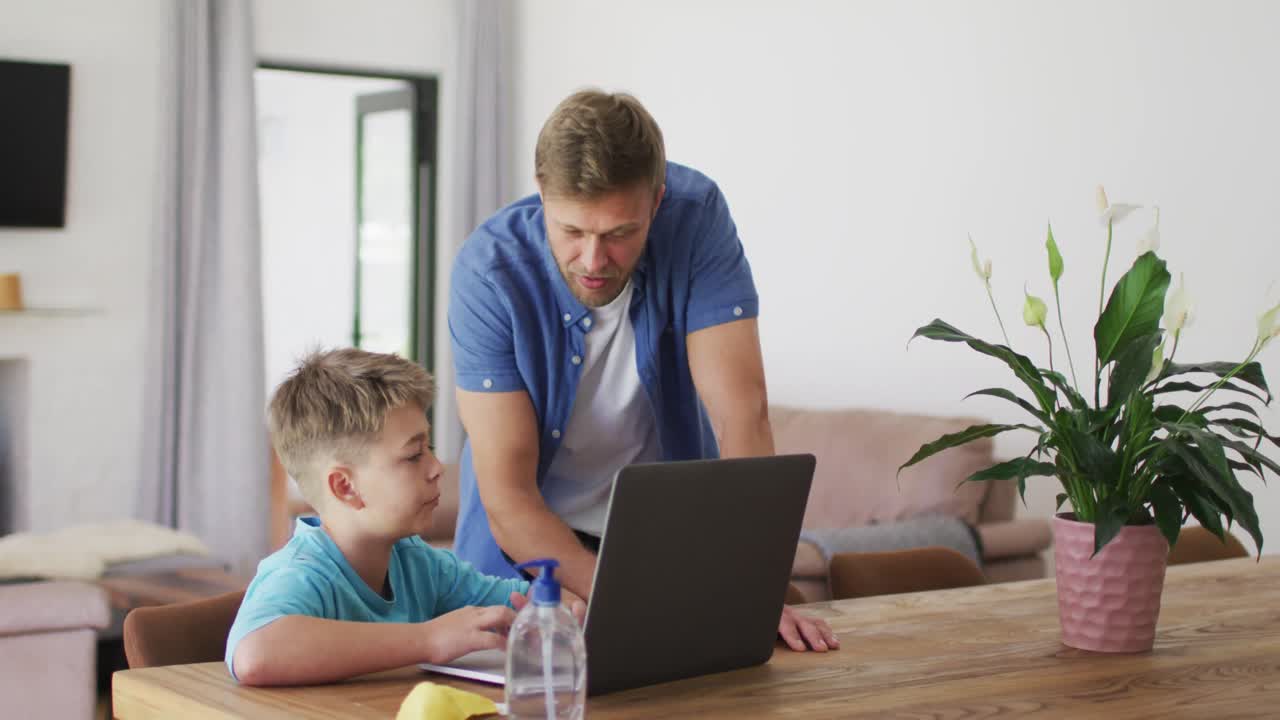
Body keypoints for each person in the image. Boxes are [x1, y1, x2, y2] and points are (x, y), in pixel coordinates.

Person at [449, 89, 838, 652]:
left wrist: (750, 588)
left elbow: (742, 417)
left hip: (657, 542)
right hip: (525, 556)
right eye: (572, 231)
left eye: (618, 234)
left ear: (656, 203)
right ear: (542, 197)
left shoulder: (696, 217)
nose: (592, 260)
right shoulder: (488, 274)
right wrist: (628, 600)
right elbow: (508, 497)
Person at [226, 348, 583, 686]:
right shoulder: (302, 574)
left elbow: (529, 602)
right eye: (414, 456)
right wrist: (428, 638)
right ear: (345, 487)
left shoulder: (421, 565)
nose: (436, 468)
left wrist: (557, 612)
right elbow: (255, 654)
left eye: (429, 448)